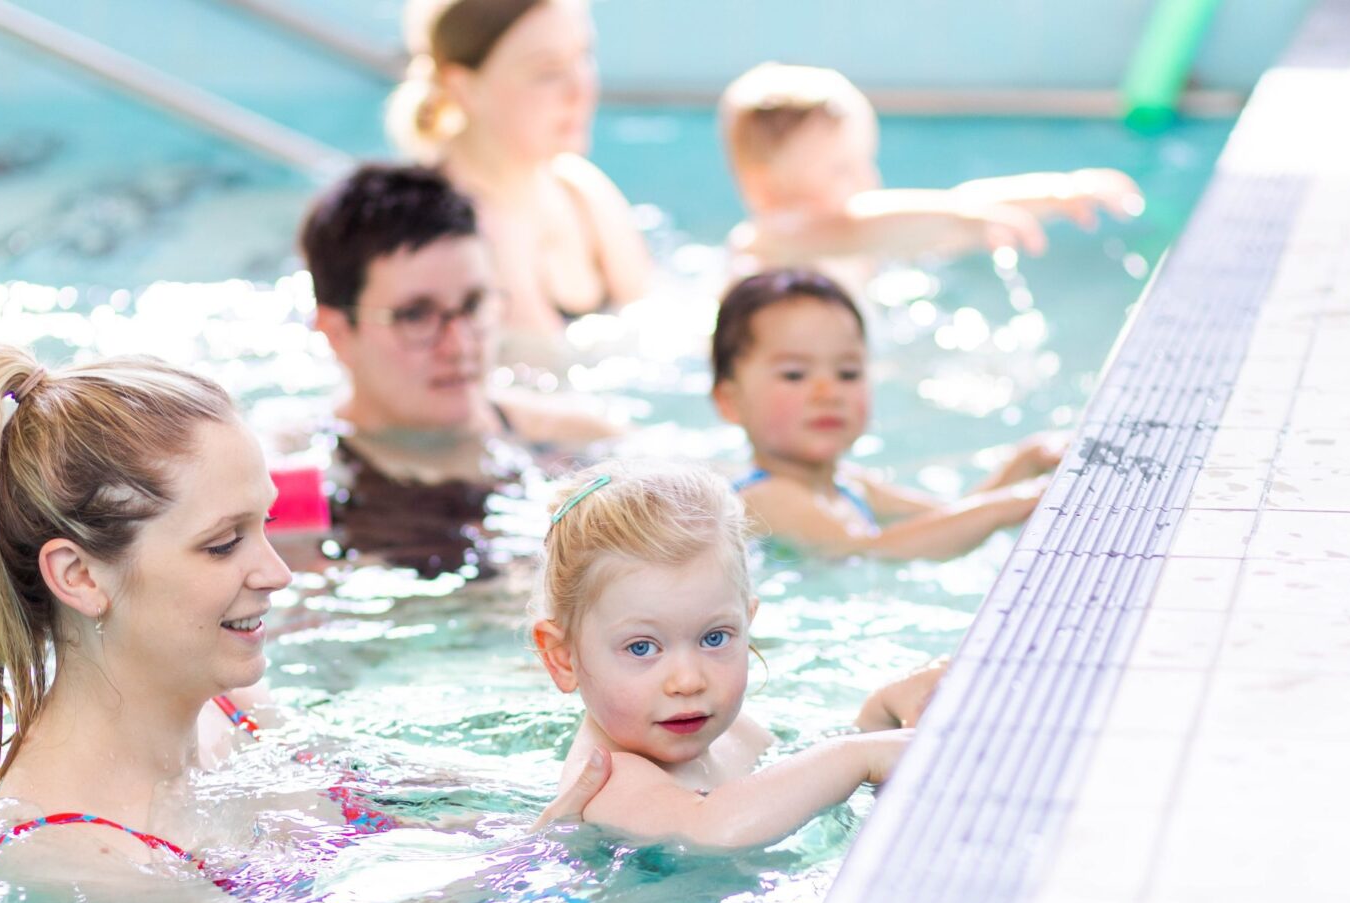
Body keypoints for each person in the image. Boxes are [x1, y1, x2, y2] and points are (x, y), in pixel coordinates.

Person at [0, 345, 611, 903]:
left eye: (266, 525)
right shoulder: (69, 850)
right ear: (79, 576)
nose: (277, 572)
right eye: (224, 544)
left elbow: (428, 794)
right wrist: (538, 848)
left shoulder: (233, 710)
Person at [529, 462, 928, 848]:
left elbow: (799, 777)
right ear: (563, 658)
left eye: (715, 638)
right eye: (642, 647)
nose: (689, 681)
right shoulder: (607, 778)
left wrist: (880, 715)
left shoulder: (728, 730)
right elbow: (709, 830)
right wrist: (857, 756)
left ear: (747, 622)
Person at [298, 163, 618, 575]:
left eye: (472, 305)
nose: (460, 345)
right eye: (415, 315)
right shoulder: (294, 480)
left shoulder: (579, 441)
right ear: (336, 332)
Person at [712, 270, 1061, 559]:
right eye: (794, 374)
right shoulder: (766, 499)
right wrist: (1009, 504)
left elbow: (944, 519)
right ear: (731, 401)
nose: (828, 392)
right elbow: (872, 553)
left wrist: (1026, 462)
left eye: (847, 373)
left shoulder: (851, 484)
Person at [719, 62, 1144, 278]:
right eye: (840, 169)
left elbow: (945, 225)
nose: (865, 180)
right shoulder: (769, 240)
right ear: (764, 184)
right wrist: (958, 213)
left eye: (865, 160)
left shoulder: (869, 231)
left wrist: (1055, 194)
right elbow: (868, 226)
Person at [387, 0, 652, 335]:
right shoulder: (443, 232)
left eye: (584, 56)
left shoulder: (579, 190)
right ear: (463, 87)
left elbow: (653, 325)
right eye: (547, 72)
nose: (580, 89)